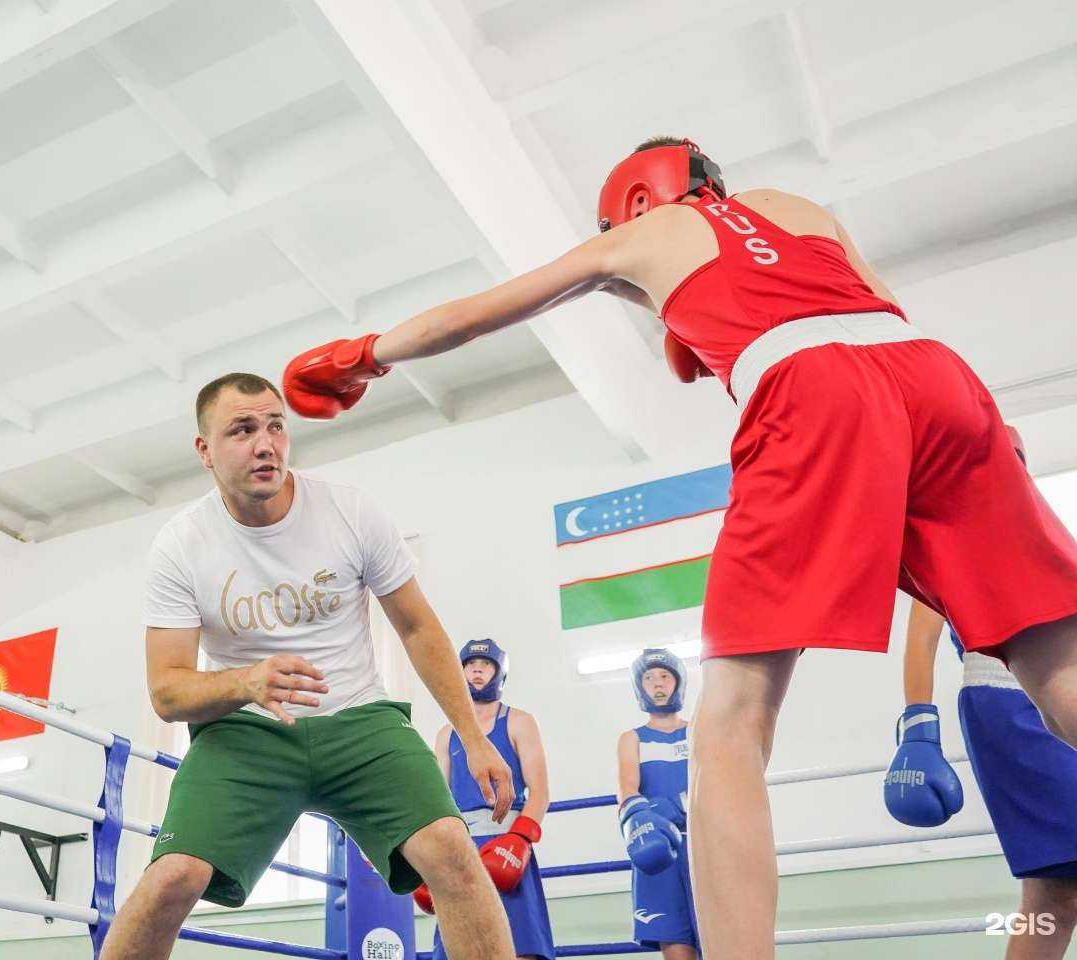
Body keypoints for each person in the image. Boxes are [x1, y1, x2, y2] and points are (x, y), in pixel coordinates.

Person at [280, 137, 1077, 959]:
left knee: (728, 728)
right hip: (945, 384)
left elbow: (473, 314)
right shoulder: (799, 209)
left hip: (813, 392)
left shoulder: (648, 232)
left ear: (633, 204)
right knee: (1061, 677)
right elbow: (879, 314)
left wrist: (363, 357)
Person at [98, 372, 518, 960]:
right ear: (204, 450)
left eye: (275, 425)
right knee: (172, 878)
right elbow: (167, 691)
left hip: (361, 721)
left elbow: (419, 627)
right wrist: (247, 681)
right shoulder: (182, 543)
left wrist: (473, 738)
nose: (265, 443)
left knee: (452, 850)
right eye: (242, 430)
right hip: (244, 732)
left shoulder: (348, 511)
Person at [889, 425, 1077, 960]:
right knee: (1052, 891)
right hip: (1009, 704)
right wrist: (918, 729)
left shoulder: (1046, 533)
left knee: (1056, 896)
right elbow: (918, 645)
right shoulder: (946, 541)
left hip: (1054, 697)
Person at [420, 639, 556, 960]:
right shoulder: (446, 734)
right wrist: (429, 859)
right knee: (458, 949)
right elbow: (440, 802)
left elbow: (540, 792)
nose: (477, 670)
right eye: (470, 665)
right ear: (459, 673)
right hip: (462, 850)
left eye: (486, 665)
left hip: (507, 842)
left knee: (519, 949)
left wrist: (520, 839)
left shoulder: (520, 721)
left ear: (499, 673)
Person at [617, 649, 698, 959]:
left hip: (703, 844)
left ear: (678, 682)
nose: (658, 684)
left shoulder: (698, 729)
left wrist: (684, 803)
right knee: (676, 947)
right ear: (641, 688)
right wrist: (644, 815)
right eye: (649, 678)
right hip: (660, 847)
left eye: (664, 675)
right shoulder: (632, 738)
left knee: (721, 941)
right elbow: (626, 789)